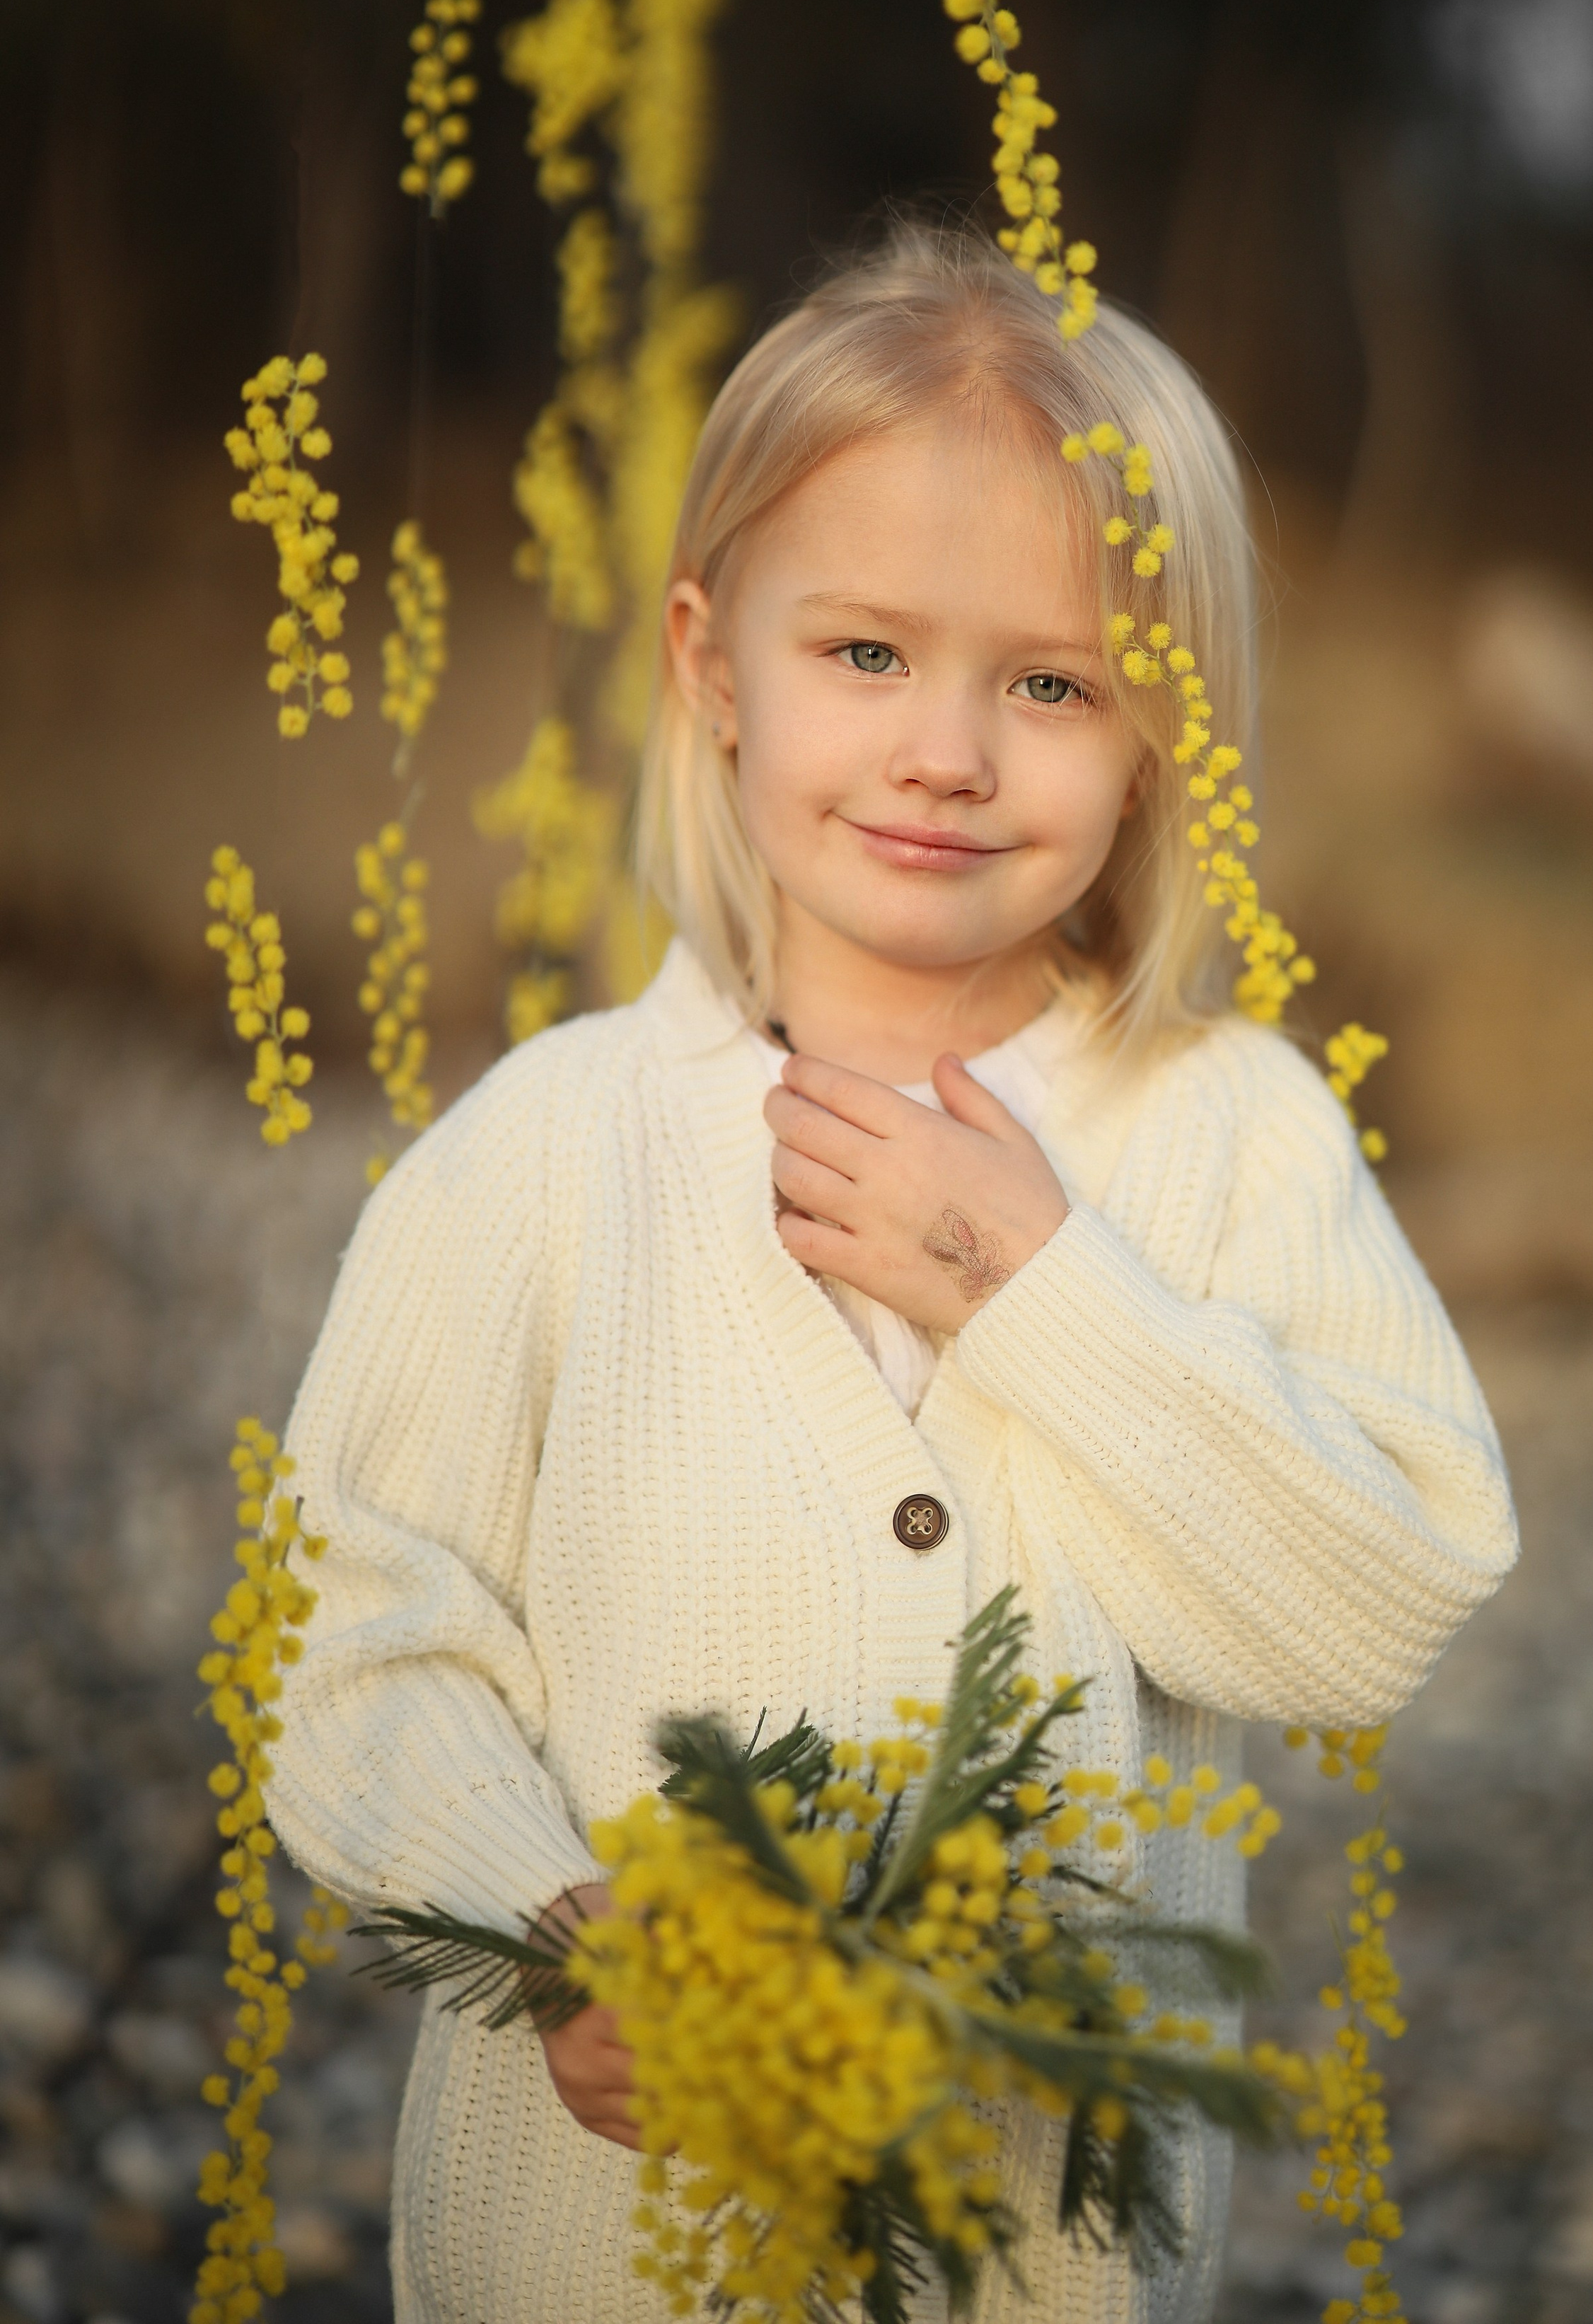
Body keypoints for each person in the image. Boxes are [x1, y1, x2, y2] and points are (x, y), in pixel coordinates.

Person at [266, 217, 1518, 2324]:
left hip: (1038, 2267)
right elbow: (352, 1631)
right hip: (602, 2258)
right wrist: (557, 1924)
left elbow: (1386, 1596)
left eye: (1052, 685)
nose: (950, 750)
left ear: (1159, 745)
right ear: (707, 669)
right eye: (865, 655)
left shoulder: (1225, 1139)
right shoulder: (543, 1154)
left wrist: (1039, 1293)